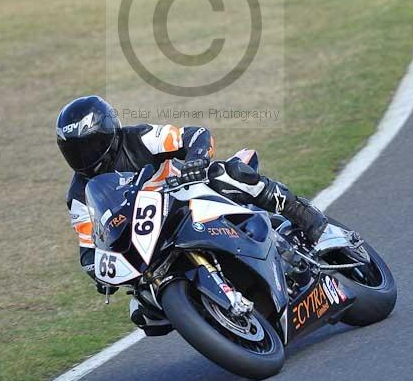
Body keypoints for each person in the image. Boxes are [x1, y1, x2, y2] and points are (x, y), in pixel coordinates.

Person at [57, 95, 327, 330]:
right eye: (74, 151)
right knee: (142, 312)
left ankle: (302, 213)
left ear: (108, 132)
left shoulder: (138, 138)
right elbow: (88, 246)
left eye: (90, 145)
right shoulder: (79, 195)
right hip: (148, 239)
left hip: (183, 196)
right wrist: (100, 270)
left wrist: (196, 159)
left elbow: (195, 135)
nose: (84, 156)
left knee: (229, 174)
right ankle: (212, 314)